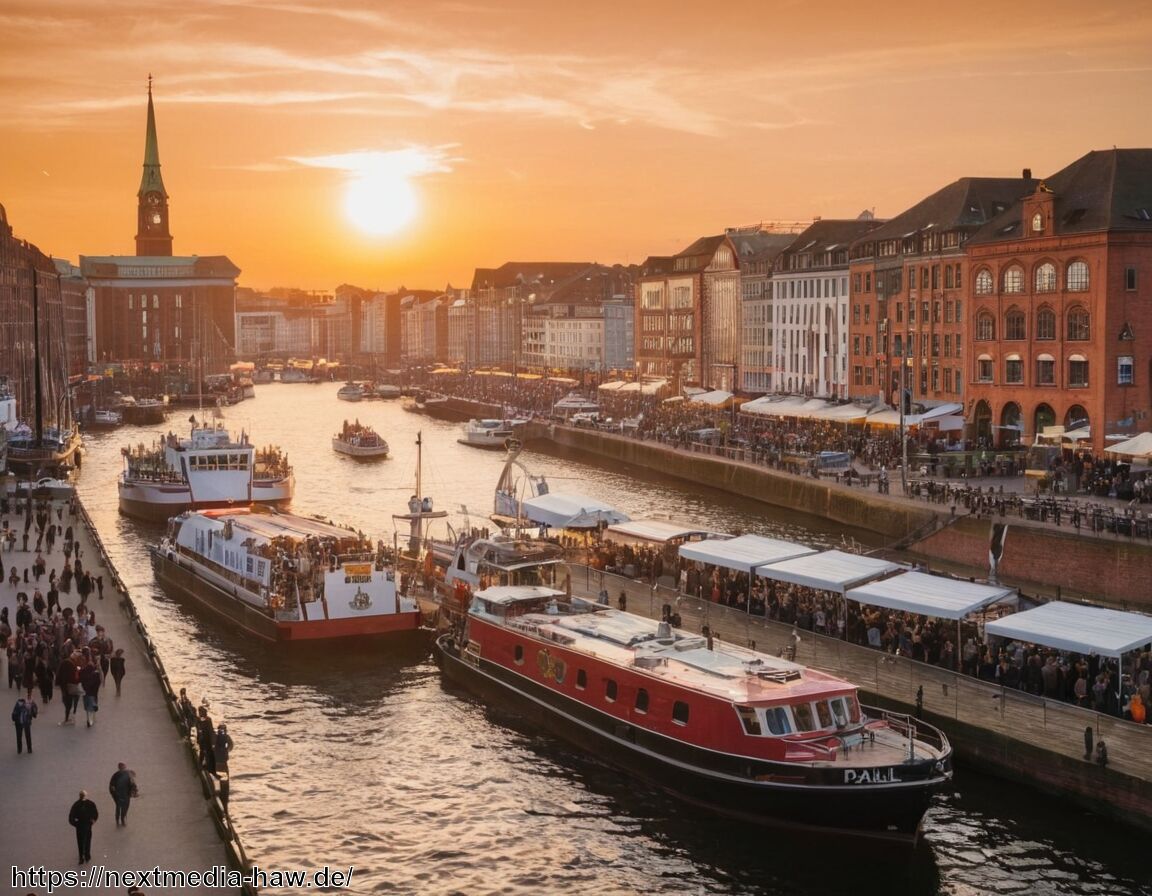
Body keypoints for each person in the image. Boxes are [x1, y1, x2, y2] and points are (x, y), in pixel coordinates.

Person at [68, 789, 99, 863]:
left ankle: (81, 856)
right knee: (88, 840)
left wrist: (75, 824)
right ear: (86, 796)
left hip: (79, 826)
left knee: (80, 841)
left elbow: (71, 817)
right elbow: (95, 814)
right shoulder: (91, 804)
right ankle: (87, 855)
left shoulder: (76, 804)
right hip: (88, 825)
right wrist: (93, 821)